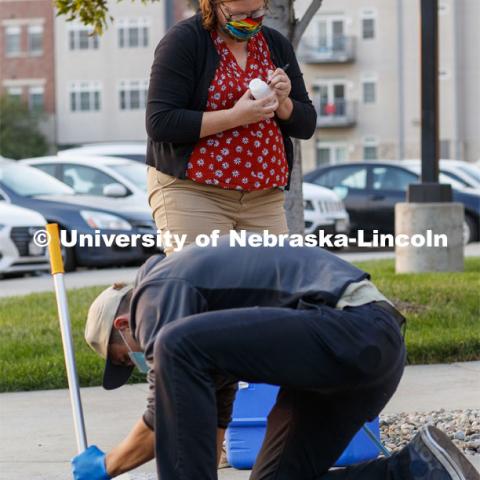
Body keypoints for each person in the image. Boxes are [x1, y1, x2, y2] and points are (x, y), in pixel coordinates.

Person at [72, 236, 479, 480]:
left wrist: (107, 465)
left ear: (124, 323)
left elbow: (162, 416)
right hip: (365, 352)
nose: (139, 363)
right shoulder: (202, 336)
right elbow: (204, 424)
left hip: (352, 326)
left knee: (175, 344)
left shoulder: (157, 289)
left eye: (126, 358)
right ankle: (421, 469)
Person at [145, 0, 317, 255]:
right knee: (205, 283)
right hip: (194, 191)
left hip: (263, 196)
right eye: (239, 14)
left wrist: (283, 102)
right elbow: (160, 122)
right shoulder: (184, 41)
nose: (250, 21)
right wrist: (235, 117)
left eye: (258, 12)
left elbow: (306, 125)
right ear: (213, 5)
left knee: (270, 286)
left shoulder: (275, 45)